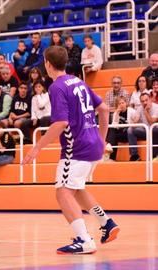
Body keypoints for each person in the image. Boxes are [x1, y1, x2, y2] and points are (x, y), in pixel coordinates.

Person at [24, 46, 119, 254]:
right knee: (76, 189)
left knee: (63, 193)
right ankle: (106, 223)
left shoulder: (57, 87)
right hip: (92, 143)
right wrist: (101, 140)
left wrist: (36, 148)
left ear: (47, 64)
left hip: (76, 148)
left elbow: (60, 123)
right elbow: (103, 109)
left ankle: (84, 240)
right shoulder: (79, 81)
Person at [127, 93, 158, 161]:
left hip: (154, 131)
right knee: (130, 130)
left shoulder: (156, 107)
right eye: (142, 101)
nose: (145, 102)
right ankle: (135, 156)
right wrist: (134, 121)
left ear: (150, 99)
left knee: (155, 130)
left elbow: (152, 122)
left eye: (146, 100)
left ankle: (154, 156)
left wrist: (145, 111)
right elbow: (135, 120)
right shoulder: (139, 108)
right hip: (145, 131)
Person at [106, 97, 137, 161]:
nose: (121, 105)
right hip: (120, 134)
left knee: (113, 135)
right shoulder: (116, 113)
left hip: (129, 134)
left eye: (123, 103)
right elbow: (114, 126)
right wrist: (117, 114)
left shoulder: (131, 111)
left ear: (126, 103)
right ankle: (112, 158)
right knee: (111, 130)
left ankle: (109, 149)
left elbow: (136, 123)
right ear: (117, 106)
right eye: (119, 104)